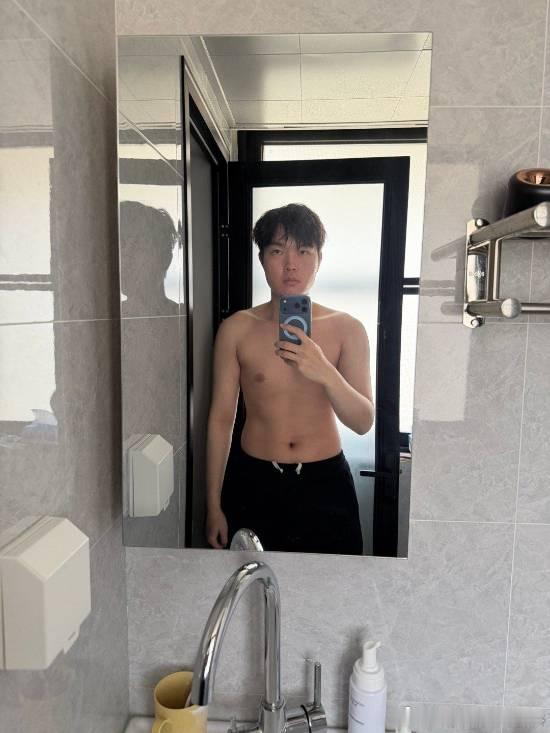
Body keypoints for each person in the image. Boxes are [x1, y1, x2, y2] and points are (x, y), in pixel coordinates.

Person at [205, 203, 374, 554]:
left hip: (325, 483)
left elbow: (362, 422)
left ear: (319, 259)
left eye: (304, 251)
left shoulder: (348, 329)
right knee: (252, 582)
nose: (291, 264)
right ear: (262, 259)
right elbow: (221, 419)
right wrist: (212, 504)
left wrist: (324, 370)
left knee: (332, 584)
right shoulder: (236, 329)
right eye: (278, 251)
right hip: (254, 480)